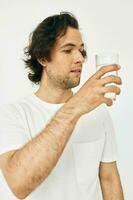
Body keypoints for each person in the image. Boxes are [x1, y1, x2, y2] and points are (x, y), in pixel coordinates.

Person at [0, 12, 124, 200]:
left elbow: (109, 178)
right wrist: (76, 106)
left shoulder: (98, 112)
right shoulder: (13, 115)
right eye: (68, 50)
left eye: (81, 50)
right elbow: (19, 184)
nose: (80, 58)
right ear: (42, 58)